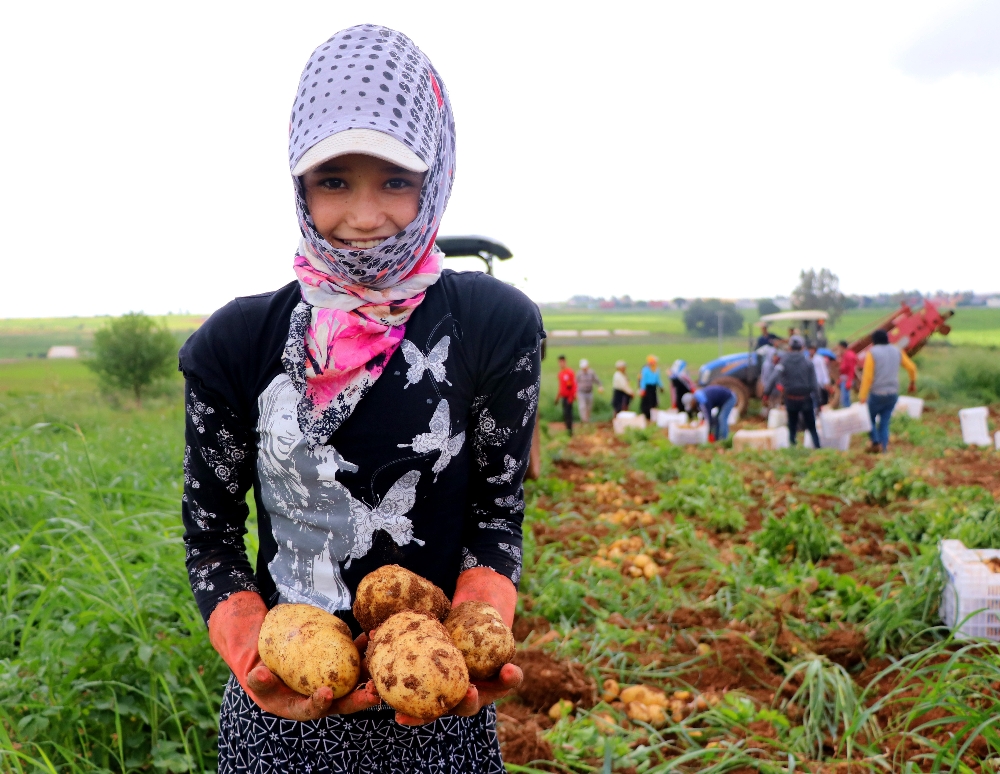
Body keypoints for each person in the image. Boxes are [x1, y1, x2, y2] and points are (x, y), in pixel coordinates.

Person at [179, 26, 542, 773]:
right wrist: (256, 652)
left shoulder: (494, 326)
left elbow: (495, 516)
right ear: (299, 182)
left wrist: (477, 625)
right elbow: (212, 536)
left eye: (396, 181)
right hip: (281, 721)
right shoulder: (235, 343)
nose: (366, 216)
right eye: (335, 180)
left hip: (436, 709)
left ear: (434, 176)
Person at [858, 329, 917, 453]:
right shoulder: (897, 350)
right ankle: (884, 449)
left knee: (869, 419)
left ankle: (875, 441)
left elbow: (867, 377)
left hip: (877, 393)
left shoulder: (872, 353)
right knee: (884, 422)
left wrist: (862, 396)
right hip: (892, 393)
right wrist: (912, 383)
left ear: (874, 341)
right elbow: (911, 368)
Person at [765, 336, 821, 448]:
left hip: (791, 398)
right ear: (802, 348)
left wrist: (766, 392)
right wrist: (819, 401)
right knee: (811, 426)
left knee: (792, 424)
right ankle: (818, 448)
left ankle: (792, 446)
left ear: (789, 348)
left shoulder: (783, 361)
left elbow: (773, 377)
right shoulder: (808, 362)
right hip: (805, 398)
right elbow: (815, 384)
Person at [556, 355, 577, 435]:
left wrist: (571, 397)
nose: (561, 364)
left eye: (562, 362)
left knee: (569, 414)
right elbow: (561, 387)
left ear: (565, 362)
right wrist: (557, 397)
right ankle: (567, 430)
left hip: (569, 397)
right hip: (563, 397)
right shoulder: (560, 374)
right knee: (565, 414)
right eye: (559, 362)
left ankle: (570, 431)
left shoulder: (569, 372)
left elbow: (573, 386)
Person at [638, 355, 664, 420]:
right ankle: (646, 416)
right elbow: (643, 380)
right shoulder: (645, 369)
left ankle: (652, 416)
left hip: (653, 387)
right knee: (646, 402)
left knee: (653, 401)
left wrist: (661, 386)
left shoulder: (656, 369)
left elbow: (658, 379)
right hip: (647, 388)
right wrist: (643, 389)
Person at [837, 340, 858, 407]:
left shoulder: (849, 355)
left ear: (842, 347)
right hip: (844, 379)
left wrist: (849, 381)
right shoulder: (844, 355)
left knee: (845, 399)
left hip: (847, 380)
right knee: (844, 399)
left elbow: (851, 369)